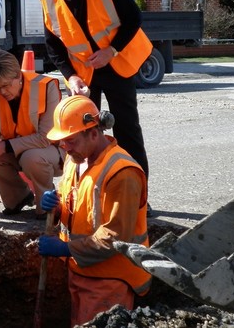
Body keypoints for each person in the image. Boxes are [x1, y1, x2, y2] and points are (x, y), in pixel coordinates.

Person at [39, 0, 152, 212]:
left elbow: (133, 18)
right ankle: (85, 196)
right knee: (83, 134)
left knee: (127, 131)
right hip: (84, 74)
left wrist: (111, 51)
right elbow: (52, 46)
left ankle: (136, 198)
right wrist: (71, 76)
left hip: (117, 66)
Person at [37, 95, 151, 326]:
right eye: (62, 142)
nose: (65, 148)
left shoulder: (122, 174)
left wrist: (65, 248)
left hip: (109, 279)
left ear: (94, 133)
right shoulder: (76, 158)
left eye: (70, 141)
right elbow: (80, 204)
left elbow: (115, 238)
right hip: (81, 270)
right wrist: (57, 207)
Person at [0, 50, 65, 219]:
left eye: (6, 85)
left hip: (53, 153)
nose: (2, 92)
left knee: (31, 157)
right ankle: (18, 198)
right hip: (19, 151)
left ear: (18, 76)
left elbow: (45, 137)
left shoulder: (47, 87)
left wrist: (5, 146)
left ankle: (46, 206)